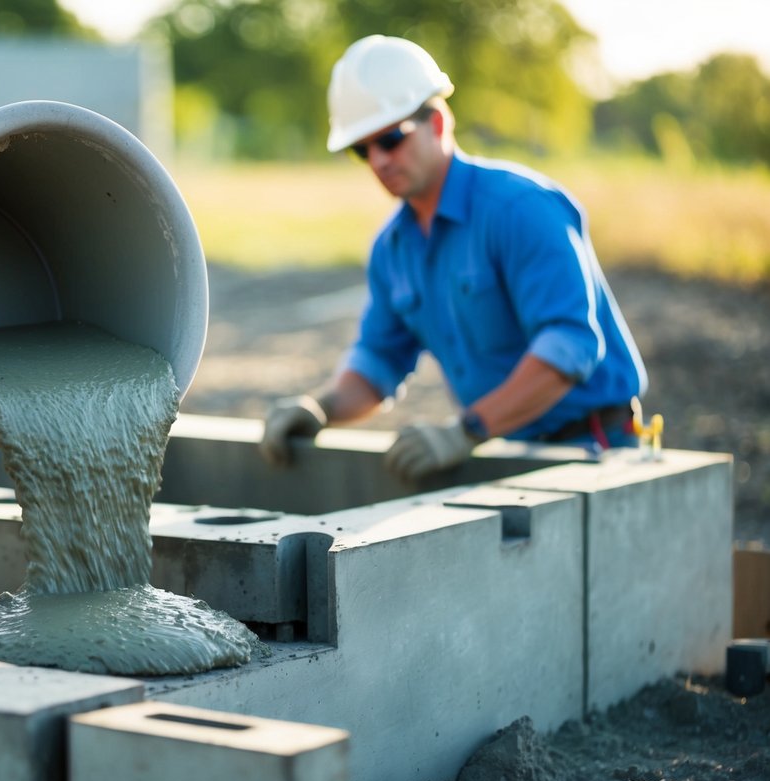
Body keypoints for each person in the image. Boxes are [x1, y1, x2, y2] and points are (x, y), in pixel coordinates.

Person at [260, 35, 647, 480]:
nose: (379, 160)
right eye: (362, 149)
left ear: (439, 123)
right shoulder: (393, 249)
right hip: (498, 449)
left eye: (390, 138)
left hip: (596, 449)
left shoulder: (520, 209)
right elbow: (379, 360)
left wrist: (464, 431)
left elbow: (570, 345)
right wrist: (320, 409)